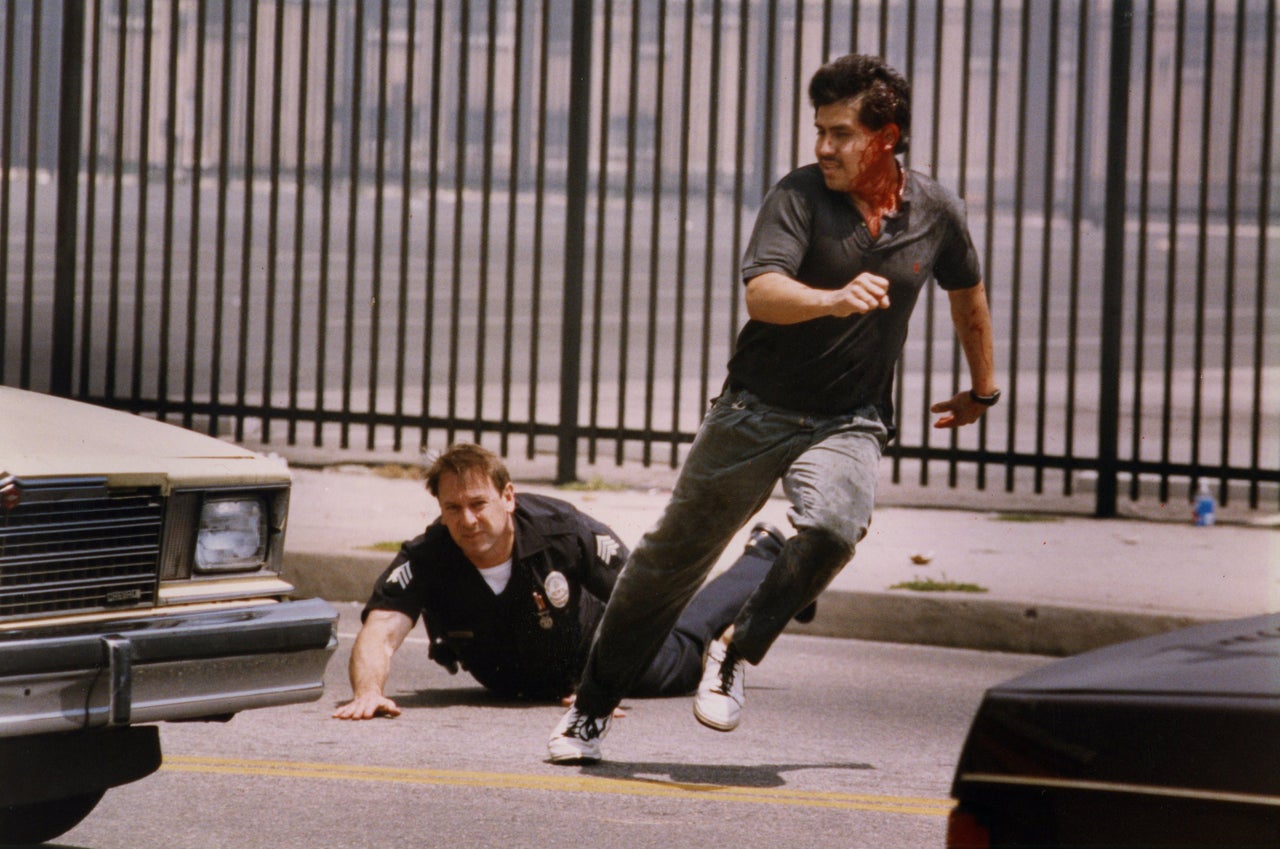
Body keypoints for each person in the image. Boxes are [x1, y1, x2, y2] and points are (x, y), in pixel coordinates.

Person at [548, 53, 998, 763]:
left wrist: (983, 388)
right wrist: (832, 297)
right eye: (819, 129)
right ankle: (591, 710)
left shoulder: (936, 212)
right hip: (752, 413)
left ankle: (734, 651)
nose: (823, 147)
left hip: (849, 418)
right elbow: (763, 291)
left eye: (841, 132)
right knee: (667, 564)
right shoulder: (797, 196)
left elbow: (967, 291)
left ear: (886, 137)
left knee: (836, 524)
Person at [332, 442, 798, 718]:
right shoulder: (430, 555)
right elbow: (380, 631)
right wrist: (368, 692)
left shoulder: (562, 530)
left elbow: (638, 598)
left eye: (478, 503)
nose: (468, 520)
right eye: (453, 508)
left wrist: (604, 683)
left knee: (689, 644)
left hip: (603, 651)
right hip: (520, 680)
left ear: (507, 497)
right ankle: (771, 567)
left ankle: (769, 560)